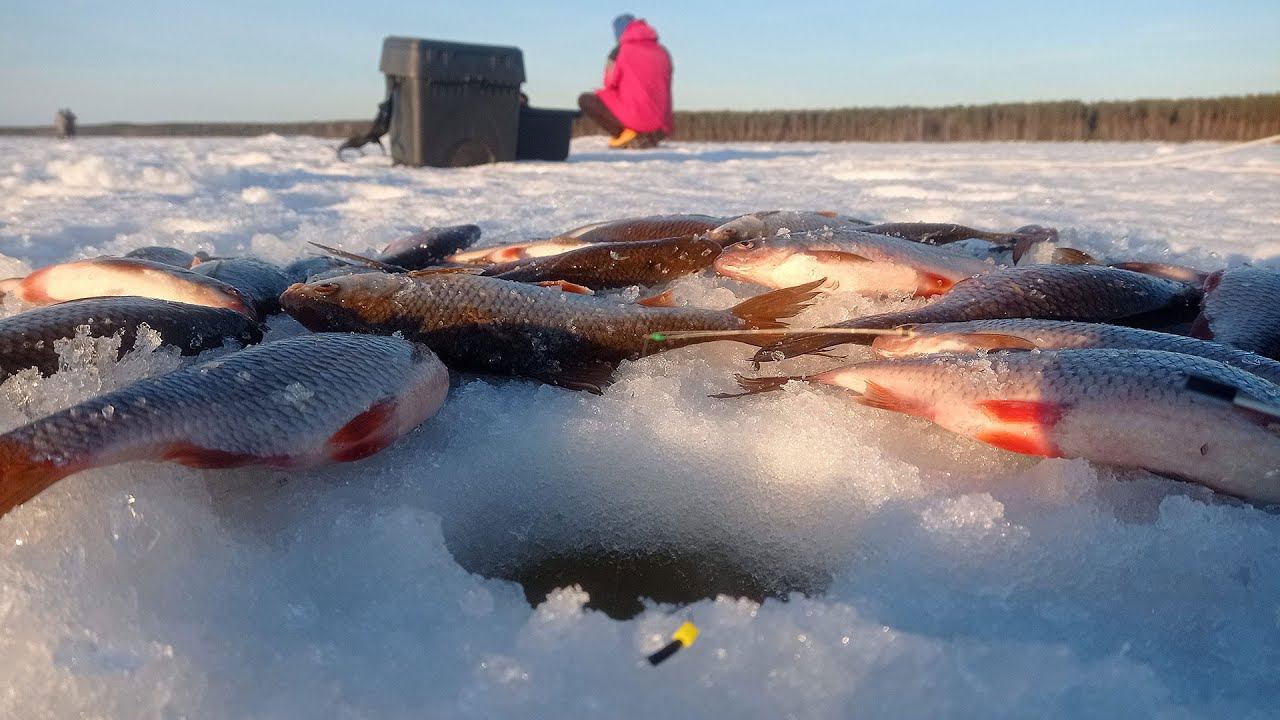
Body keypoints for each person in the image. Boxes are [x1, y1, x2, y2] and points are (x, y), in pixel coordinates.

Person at [578, 14, 673, 149]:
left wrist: (611, 60)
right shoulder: (663, 51)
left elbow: (609, 83)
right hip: (662, 125)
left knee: (585, 100)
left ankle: (631, 135)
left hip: (638, 121)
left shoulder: (622, 50)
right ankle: (644, 136)